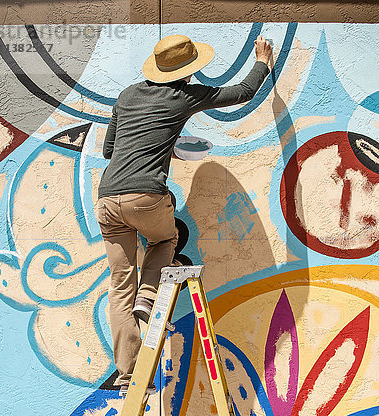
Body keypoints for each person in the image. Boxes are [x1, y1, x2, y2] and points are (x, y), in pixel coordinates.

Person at [97, 33, 272, 392]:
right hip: (145, 197)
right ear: (188, 72)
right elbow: (242, 92)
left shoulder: (128, 95)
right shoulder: (183, 96)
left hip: (107, 199)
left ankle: (129, 376)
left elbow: (109, 149)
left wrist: (164, 145)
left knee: (118, 288)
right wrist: (263, 63)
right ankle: (149, 296)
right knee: (166, 236)